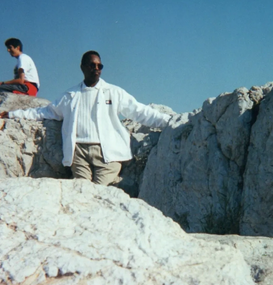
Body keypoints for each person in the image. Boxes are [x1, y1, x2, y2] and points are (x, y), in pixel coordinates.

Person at [0, 50, 172, 186]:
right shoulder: (70, 96)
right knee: (82, 191)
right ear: (82, 67)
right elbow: (45, 112)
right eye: (92, 65)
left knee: (99, 192)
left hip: (107, 153)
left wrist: (169, 122)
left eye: (99, 65)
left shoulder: (114, 92)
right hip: (79, 153)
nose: (96, 68)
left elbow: (139, 111)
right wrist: (13, 113)